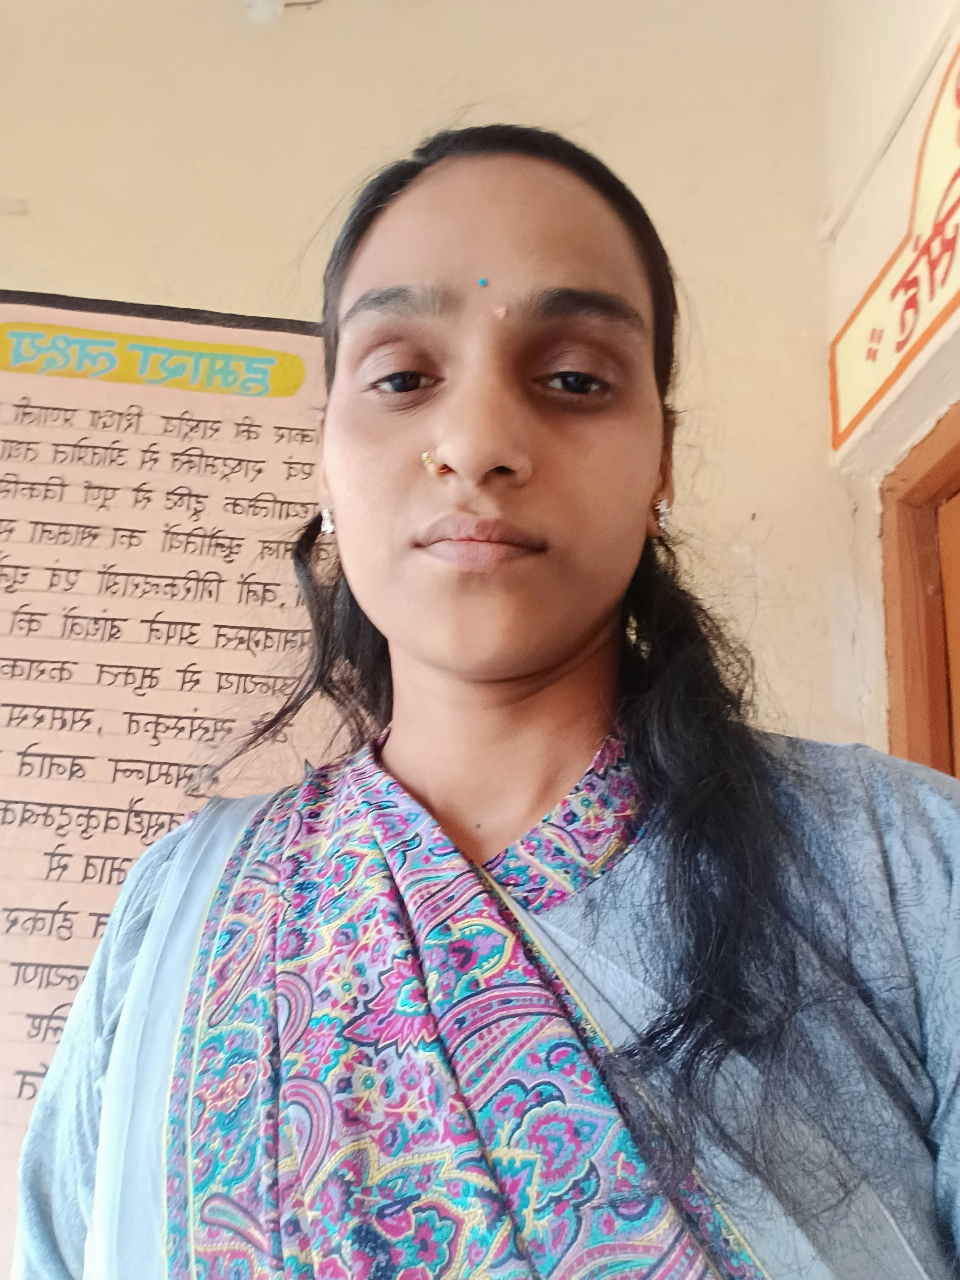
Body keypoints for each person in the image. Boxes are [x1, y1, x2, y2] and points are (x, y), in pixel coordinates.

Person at [15, 125, 960, 1280]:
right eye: (403, 378)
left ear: (661, 461)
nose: (476, 442)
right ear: (326, 456)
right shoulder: (171, 913)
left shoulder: (910, 869)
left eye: (574, 379)